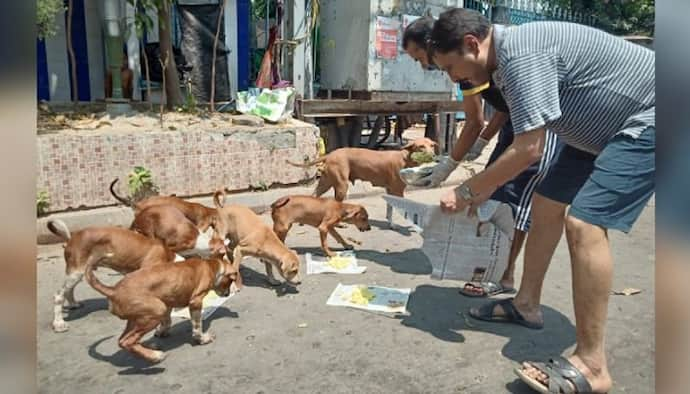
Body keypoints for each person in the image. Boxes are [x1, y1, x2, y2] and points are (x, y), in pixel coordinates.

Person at [428, 8, 654, 393]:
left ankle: (593, 366)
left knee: (584, 224)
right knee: (546, 204)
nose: (453, 78)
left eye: (451, 66)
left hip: (654, 117)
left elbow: (529, 148)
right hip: (592, 133)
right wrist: (481, 186)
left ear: (471, 44)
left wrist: (468, 190)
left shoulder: (519, 54)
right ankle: (526, 304)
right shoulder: (502, 61)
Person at [403, 17, 568, 297]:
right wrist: (472, 150)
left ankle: (505, 277)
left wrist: (458, 176)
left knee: (513, 199)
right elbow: (499, 108)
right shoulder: (464, 65)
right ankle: (495, 267)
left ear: (435, 45)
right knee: (492, 197)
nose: (424, 66)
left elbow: (486, 119)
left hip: (541, 124)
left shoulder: (479, 58)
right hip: (516, 123)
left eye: (420, 57)